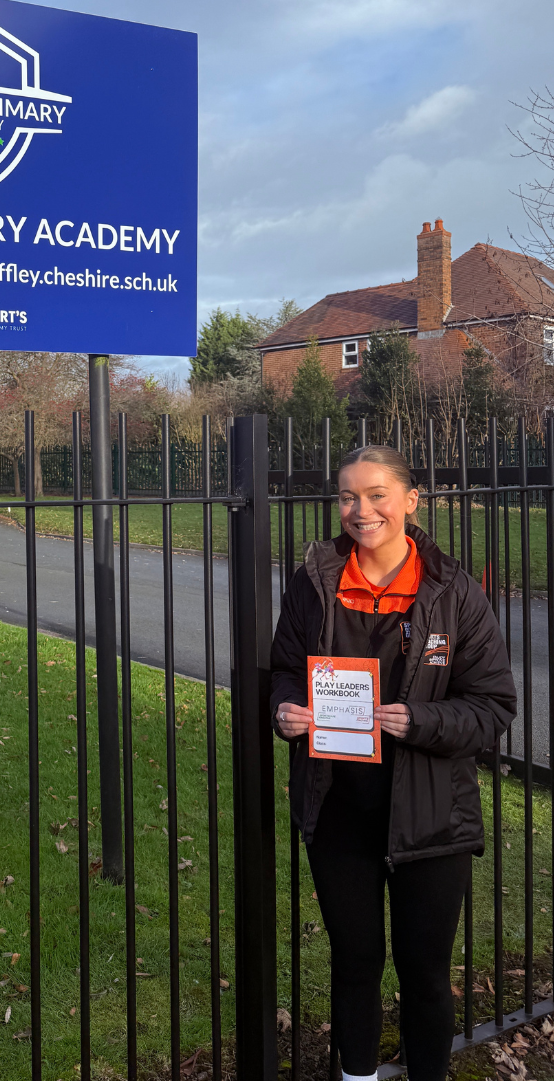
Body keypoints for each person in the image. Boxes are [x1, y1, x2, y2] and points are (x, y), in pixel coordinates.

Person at [270, 444, 516, 1081]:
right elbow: (286, 673)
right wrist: (287, 710)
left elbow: (492, 706)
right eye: (349, 496)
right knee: (354, 966)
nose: (361, 509)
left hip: (432, 821)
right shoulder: (315, 583)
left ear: (410, 501)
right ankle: (356, 1076)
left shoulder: (453, 592)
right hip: (340, 813)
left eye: (377, 494)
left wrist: (422, 721)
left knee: (426, 976)